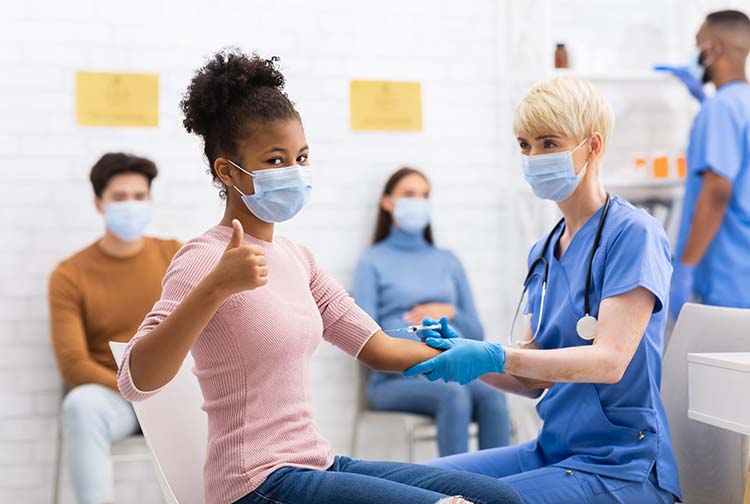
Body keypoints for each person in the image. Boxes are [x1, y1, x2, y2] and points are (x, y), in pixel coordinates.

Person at [116, 49, 521, 504]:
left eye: (301, 157)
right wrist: (216, 287)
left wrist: (472, 353)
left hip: (316, 463)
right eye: (274, 160)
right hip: (257, 483)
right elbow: (136, 379)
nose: (293, 172)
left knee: (494, 496)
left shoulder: (298, 259)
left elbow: (377, 347)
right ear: (228, 171)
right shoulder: (204, 259)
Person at [406, 77, 682, 503]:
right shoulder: (544, 250)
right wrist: (463, 354)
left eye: (549, 143)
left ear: (592, 146)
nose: (534, 157)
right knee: (408, 486)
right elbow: (531, 378)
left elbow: (610, 361)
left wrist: (496, 354)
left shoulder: (633, 234)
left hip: (621, 467)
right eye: (524, 145)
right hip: (552, 451)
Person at [49, 153, 182, 504]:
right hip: (114, 399)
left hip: (173, 395)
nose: (131, 205)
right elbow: (74, 365)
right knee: (80, 405)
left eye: (139, 197)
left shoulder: (175, 255)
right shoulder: (69, 275)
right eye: (119, 198)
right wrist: (136, 389)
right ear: (98, 204)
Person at [353, 167, 510, 456]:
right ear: (388, 202)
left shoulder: (448, 260)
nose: (419, 202)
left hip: (452, 371)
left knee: (494, 398)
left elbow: (476, 333)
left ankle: (497, 489)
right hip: (394, 381)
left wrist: (450, 311)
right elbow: (361, 335)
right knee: (453, 395)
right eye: (409, 194)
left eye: (425, 195)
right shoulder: (372, 262)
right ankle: (457, 493)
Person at [660, 10, 750, 319]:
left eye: (698, 45)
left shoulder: (722, 108)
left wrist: (686, 266)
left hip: (726, 279)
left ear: (714, 50)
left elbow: (717, 192)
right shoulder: (738, 103)